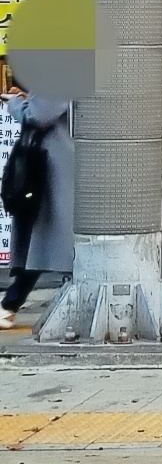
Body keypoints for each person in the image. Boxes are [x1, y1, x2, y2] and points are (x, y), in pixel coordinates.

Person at [0, 95, 74, 329]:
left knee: (41, 236)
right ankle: (11, 303)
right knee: (43, 237)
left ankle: (11, 304)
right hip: (56, 164)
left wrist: (15, 104)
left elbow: (38, 115)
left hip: (50, 167)